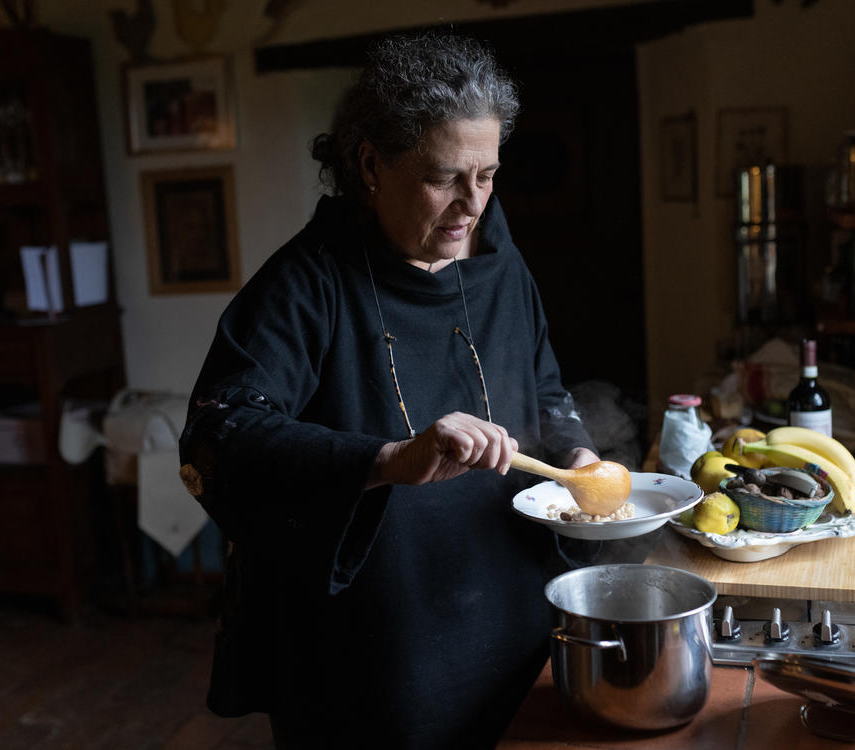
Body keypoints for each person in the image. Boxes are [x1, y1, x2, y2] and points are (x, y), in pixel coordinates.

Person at [178, 32, 601, 749]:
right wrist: (385, 460)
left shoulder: (499, 261)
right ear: (370, 165)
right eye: (444, 178)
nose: (471, 205)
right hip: (376, 647)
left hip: (513, 609)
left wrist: (579, 456)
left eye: (488, 175)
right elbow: (221, 434)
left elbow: (542, 383)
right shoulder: (305, 284)